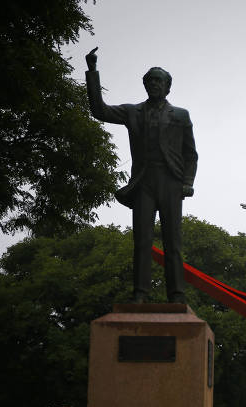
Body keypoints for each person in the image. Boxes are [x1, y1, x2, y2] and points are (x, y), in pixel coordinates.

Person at [85, 48, 198, 303]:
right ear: (145, 85)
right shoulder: (132, 112)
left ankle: (177, 294)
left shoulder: (181, 115)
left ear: (168, 87)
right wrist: (92, 72)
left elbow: (191, 154)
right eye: (150, 81)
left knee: (173, 242)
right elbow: (99, 110)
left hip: (171, 181)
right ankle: (140, 293)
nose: (154, 84)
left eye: (159, 81)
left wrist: (188, 183)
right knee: (141, 241)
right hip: (144, 182)